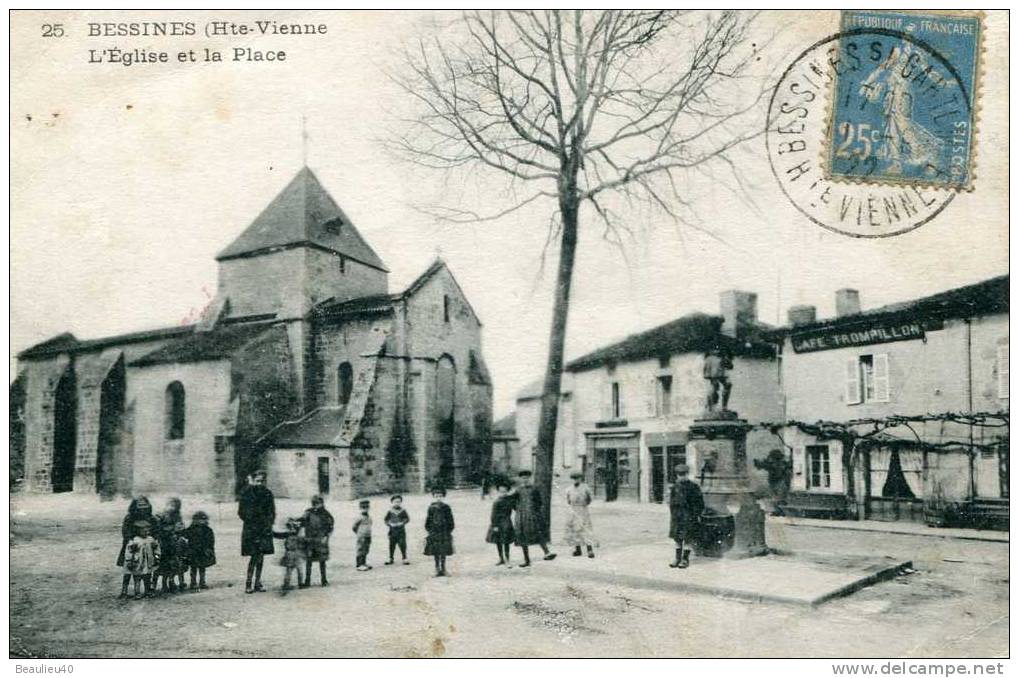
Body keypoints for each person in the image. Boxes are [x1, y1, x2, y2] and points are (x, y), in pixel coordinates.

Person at [238, 469, 276, 594]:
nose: (260, 483)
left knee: (261, 557)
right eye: (257, 481)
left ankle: (258, 582)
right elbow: (241, 512)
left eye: (262, 481)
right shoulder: (246, 493)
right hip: (251, 529)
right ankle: (248, 583)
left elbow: (272, 511)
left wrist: (269, 522)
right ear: (253, 480)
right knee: (254, 556)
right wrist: (252, 520)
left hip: (264, 529)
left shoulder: (268, 493)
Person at [511, 469, 556, 567]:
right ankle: (527, 560)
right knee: (522, 537)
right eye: (523, 478)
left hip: (533, 515)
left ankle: (547, 552)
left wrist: (534, 512)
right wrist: (520, 511)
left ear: (530, 478)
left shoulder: (534, 489)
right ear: (520, 479)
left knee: (537, 533)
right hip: (521, 516)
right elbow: (513, 503)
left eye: (527, 478)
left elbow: (539, 502)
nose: (525, 480)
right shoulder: (518, 490)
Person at [668, 464, 704, 569]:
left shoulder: (693, 487)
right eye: (679, 474)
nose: (681, 476)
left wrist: (696, 514)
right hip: (677, 516)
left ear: (687, 474)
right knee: (677, 538)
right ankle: (677, 558)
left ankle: (685, 559)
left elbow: (699, 503)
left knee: (688, 538)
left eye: (683, 474)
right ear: (677, 475)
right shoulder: (675, 487)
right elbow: (671, 502)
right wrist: (673, 514)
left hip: (689, 516)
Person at [117, 496, 153, 598]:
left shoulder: (150, 517)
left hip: (146, 547)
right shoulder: (129, 518)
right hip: (132, 547)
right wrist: (132, 541)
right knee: (128, 570)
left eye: (144, 506)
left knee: (147, 569)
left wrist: (151, 540)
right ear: (134, 507)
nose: (142, 509)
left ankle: (147, 589)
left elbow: (155, 531)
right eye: (140, 506)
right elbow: (125, 532)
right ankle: (124, 591)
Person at [153, 497, 185, 594]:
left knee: (172, 564)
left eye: (174, 506)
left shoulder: (177, 516)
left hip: (172, 544)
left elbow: (180, 528)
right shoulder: (160, 515)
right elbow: (156, 527)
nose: (172, 508)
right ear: (166, 505)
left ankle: (170, 582)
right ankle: (155, 584)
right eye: (170, 505)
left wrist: (177, 532)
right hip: (162, 543)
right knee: (160, 564)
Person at [301, 495, 334, 587]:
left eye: (319, 503)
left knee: (322, 561)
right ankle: (307, 581)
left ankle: (324, 580)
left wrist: (326, 536)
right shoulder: (308, 512)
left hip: (321, 540)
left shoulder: (326, 514)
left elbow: (330, 526)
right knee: (309, 561)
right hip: (310, 539)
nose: (317, 505)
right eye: (315, 504)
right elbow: (302, 522)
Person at [122, 519, 160, 600]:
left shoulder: (150, 539)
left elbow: (156, 548)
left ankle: (147, 591)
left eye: (147, 531)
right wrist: (129, 560)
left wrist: (157, 557)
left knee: (147, 577)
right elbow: (129, 551)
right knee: (137, 578)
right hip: (138, 563)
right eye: (144, 531)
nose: (146, 533)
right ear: (138, 531)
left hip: (148, 562)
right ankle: (137, 592)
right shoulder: (134, 540)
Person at [564, 471, 596, 558]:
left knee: (586, 529)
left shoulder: (585, 488)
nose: (576, 480)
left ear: (581, 479)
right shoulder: (569, 489)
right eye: (574, 478)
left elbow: (589, 499)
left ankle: (590, 550)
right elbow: (568, 500)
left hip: (583, 510)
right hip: (573, 510)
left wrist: (583, 505)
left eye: (577, 478)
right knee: (575, 529)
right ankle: (578, 550)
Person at [424, 486, 455, 576]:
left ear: (443, 496)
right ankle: (437, 568)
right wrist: (429, 530)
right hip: (434, 532)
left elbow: (451, 520)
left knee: (444, 550)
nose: (438, 498)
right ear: (433, 497)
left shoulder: (446, 507)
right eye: (436, 496)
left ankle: (444, 568)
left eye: (440, 496)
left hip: (444, 532)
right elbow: (428, 520)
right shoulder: (431, 508)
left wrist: (449, 530)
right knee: (436, 550)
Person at [485, 479, 515, 566]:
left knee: (506, 541)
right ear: (498, 491)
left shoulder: (510, 500)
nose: (503, 493)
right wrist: (494, 525)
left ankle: (507, 559)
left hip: (507, 523)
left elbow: (515, 508)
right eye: (501, 491)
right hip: (498, 523)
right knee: (498, 541)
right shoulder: (496, 502)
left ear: (508, 491)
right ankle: (501, 558)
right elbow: (493, 514)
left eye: (505, 491)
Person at [273, 517, 307, 594]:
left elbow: (278, 535)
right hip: (297, 553)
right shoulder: (299, 535)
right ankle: (300, 583)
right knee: (299, 569)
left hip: (289, 553)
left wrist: (272, 533)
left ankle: (286, 584)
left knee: (289, 570)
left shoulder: (288, 534)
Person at [185, 510, 216, 591]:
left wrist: (209, 549)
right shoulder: (191, 529)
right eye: (200, 519)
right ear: (195, 520)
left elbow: (211, 540)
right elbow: (185, 536)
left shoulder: (208, 530)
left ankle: (202, 582)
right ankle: (193, 583)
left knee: (202, 568)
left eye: (204, 519)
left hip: (203, 552)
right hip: (193, 552)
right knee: (193, 568)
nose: (202, 521)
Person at [384, 495, 410, 565]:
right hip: (392, 530)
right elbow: (386, 519)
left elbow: (407, 519)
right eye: (395, 502)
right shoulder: (390, 511)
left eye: (399, 502)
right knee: (392, 544)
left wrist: (402, 523)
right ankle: (391, 558)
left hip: (401, 530)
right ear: (392, 502)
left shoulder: (403, 511)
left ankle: (404, 558)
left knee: (402, 544)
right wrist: (389, 524)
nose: (397, 503)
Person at [352, 499, 373, 571]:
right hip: (361, 536)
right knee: (360, 549)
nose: (365, 510)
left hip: (368, 535)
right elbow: (354, 527)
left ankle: (364, 563)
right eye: (363, 508)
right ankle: (359, 564)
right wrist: (359, 533)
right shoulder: (359, 517)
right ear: (360, 508)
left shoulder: (369, 517)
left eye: (367, 508)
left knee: (366, 550)